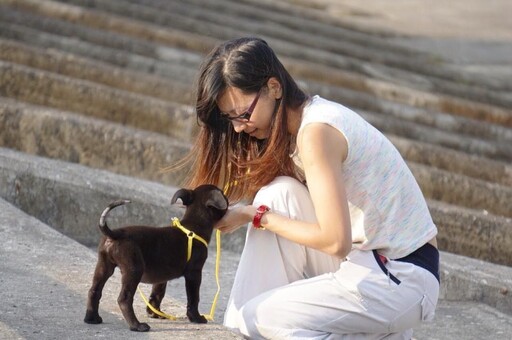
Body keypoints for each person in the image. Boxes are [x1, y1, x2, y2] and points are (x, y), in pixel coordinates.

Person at [181, 36, 440, 339]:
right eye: (230, 119)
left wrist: (256, 216)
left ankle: (245, 326)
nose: (238, 127)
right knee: (277, 194)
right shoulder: (304, 126)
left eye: (243, 114)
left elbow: (335, 242)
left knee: (257, 316)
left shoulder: (317, 132)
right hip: (369, 266)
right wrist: (254, 213)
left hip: (401, 276)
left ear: (274, 88)